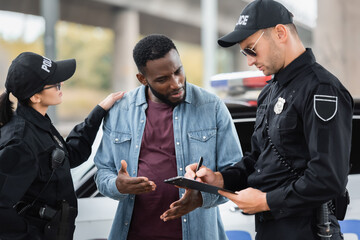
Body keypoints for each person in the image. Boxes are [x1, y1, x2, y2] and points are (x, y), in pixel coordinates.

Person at [183, 0, 354, 240]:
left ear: (280, 33)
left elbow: (328, 178)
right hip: (270, 228)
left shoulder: (321, 89)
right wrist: (221, 178)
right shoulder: (271, 91)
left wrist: (265, 201)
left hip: (309, 230)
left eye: (251, 49)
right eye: (244, 53)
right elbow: (259, 159)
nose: (249, 61)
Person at [94, 34, 242, 240]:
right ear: (142, 79)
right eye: (162, 79)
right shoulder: (120, 111)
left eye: (178, 71)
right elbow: (103, 173)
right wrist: (117, 186)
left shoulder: (212, 107)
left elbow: (235, 174)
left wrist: (200, 198)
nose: (175, 83)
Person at [0, 52, 124, 240]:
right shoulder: (20, 142)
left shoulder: (38, 124)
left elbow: (69, 155)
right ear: (35, 97)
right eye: (55, 83)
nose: (62, 85)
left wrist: (99, 111)